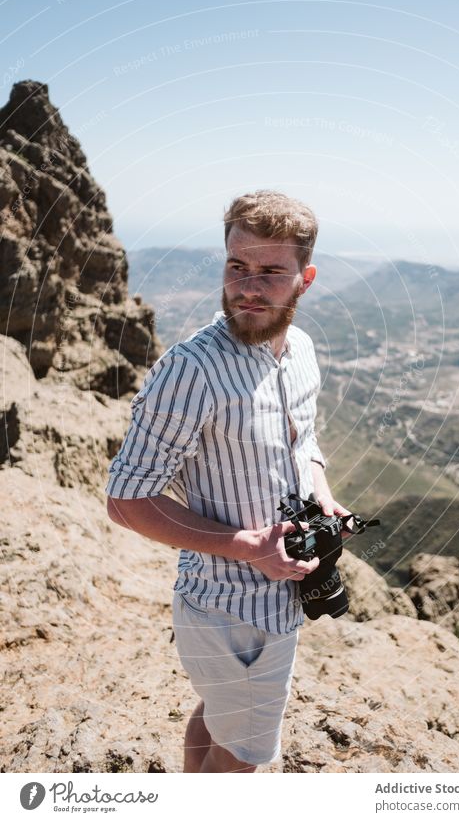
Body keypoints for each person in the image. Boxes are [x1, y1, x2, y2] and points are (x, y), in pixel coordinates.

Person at [106, 190, 350, 773]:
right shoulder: (192, 370)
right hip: (228, 610)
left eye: (271, 272)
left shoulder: (302, 354)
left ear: (305, 279)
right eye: (237, 267)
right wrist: (247, 548)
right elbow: (125, 501)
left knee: (220, 719)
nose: (248, 287)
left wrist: (323, 496)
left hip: (276, 601)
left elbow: (303, 443)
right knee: (245, 760)